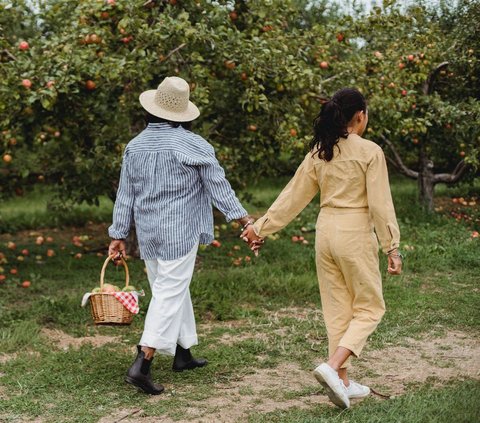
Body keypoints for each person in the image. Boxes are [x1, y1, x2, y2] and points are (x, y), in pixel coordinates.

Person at [241, 88, 402, 409]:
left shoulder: (320, 152)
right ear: (360, 116)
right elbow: (381, 205)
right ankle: (332, 367)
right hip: (354, 231)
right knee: (370, 307)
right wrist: (392, 248)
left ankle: (342, 381)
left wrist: (259, 227)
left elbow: (292, 197)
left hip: (325, 232)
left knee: (338, 309)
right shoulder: (370, 151)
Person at [108, 76, 253, 395]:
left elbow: (125, 196)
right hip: (178, 231)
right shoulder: (193, 144)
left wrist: (118, 234)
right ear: (181, 113)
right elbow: (219, 187)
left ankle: (183, 352)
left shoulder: (135, 146)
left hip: (148, 233)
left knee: (170, 287)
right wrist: (242, 219)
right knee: (169, 292)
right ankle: (142, 363)